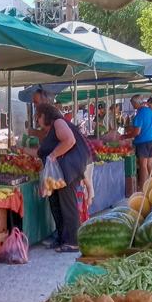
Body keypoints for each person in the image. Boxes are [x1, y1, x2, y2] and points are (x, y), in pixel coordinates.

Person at [28, 92, 91, 252]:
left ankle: (73, 241)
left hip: (68, 170)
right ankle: (62, 237)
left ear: (45, 115)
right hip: (58, 172)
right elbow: (42, 153)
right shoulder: (51, 130)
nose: (37, 119)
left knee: (67, 204)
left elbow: (70, 140)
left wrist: (54, 155)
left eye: (38, 116)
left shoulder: (58, 122)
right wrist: (22, 150)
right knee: (55, 202)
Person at [130, 96, 152, 189]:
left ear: (136, 103)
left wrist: (126, 136)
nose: (132, 106)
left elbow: (136, 132)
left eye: (133, 104)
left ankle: (144, 187)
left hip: (143, 142)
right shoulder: (150, 111)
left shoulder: (139, 114)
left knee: (143, 165)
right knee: (150, 163)